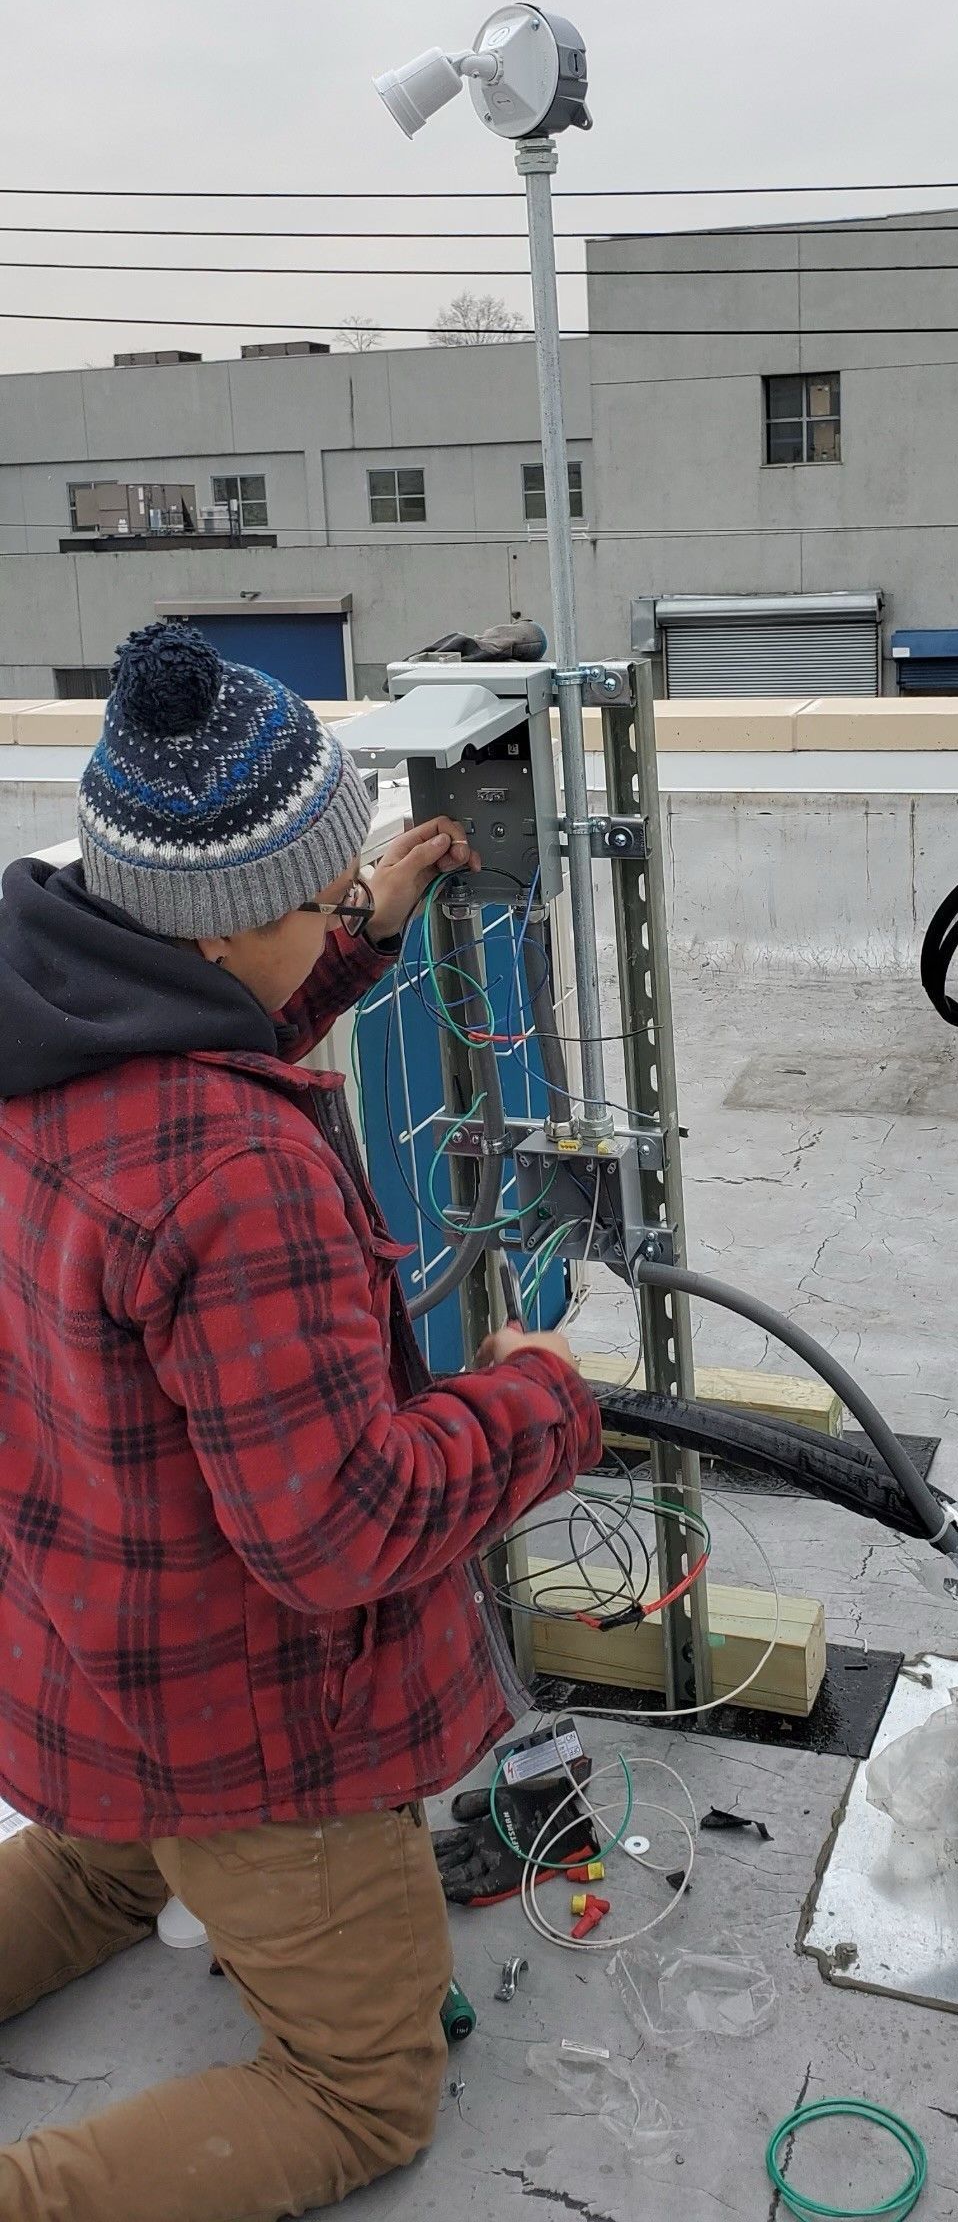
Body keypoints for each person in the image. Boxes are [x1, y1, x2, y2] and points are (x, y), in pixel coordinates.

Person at [0, 623, 601, 2222]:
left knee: (97, 1863)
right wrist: (538, 1399)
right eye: (325, 897)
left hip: (87, 1653)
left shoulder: (39, 1009)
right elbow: (341, 1528)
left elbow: (179, 1023)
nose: (348, 907)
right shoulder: (236, 1176)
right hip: (246, 1724)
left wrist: (353, 943)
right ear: (225, 924)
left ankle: (145, 1858)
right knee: (361, 2089)